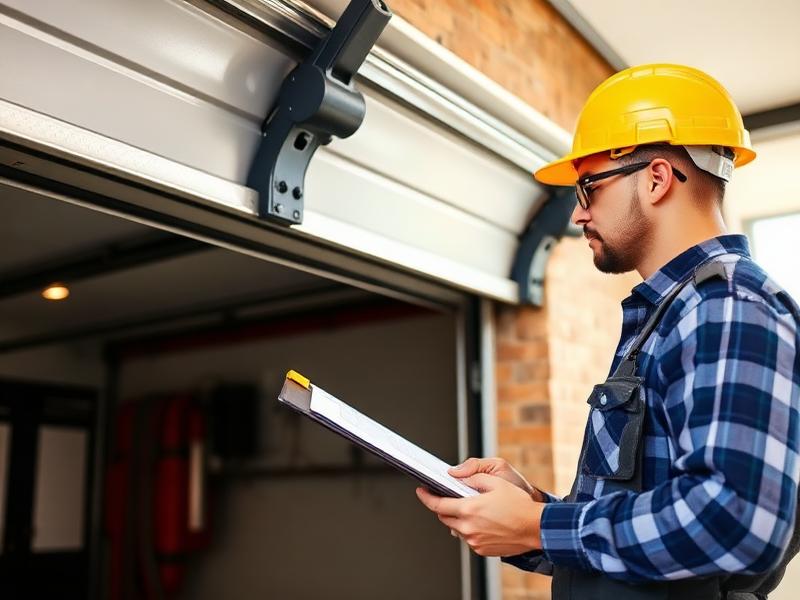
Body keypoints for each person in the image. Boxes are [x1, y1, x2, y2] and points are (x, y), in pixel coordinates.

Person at [415, 64, 800, 599]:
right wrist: (528, 511)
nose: (577, 213)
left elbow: (734, 520)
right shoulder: (674, 313)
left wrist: (535, 525)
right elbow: (645, 530)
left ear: (657, 178)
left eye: (588, 187)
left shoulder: (726, 306)